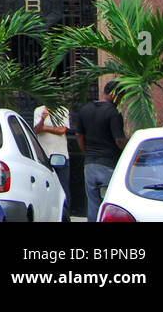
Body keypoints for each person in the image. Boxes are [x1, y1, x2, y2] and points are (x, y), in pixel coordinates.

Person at [70, 81, 127, 222]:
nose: (120, 101)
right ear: (115, 94)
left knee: (93, 204)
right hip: (109, 164)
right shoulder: (113, 113)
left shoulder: (85, 110)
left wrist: (86, 152)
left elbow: (79, 135)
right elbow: (119, 141)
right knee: (110, 204)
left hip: (90, 165)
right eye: (120, 97)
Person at [32, 102, 71, 198]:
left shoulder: (63, 110)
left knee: (62, 186)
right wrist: (42, 119)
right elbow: (37, 129)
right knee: (44, 185)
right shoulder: (39, 110)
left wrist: (44, 127)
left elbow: (62, 130)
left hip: (59, 153)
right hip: (44, 154)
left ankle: (64, 212)